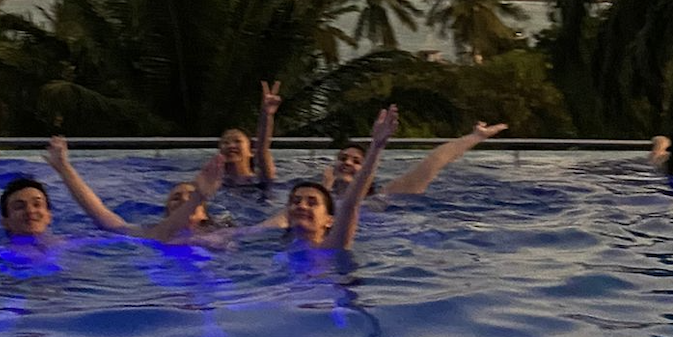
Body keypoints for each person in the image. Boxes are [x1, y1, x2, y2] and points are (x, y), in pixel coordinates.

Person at [43, 136, 225, 243]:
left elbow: (254, 231)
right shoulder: (147, 232)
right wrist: (64, 168)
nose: (184, 200)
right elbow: (100, 214)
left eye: (191, 196)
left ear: (205, 214)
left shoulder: (219, 236)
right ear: (166, 212)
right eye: (176, 197)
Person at [274, 105, 400, 250]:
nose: (302, 206)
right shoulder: (276, 249)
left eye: (312, 203)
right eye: (296, 201)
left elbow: (350, 205)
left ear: (329, 220)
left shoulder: (331, 247)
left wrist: (376, 146)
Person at [322, 121, 508, 199]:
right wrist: (324, 189)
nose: (347, 163)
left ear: (368, 173)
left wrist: (475, 136)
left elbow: (433, 163)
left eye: (356, 161)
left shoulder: (381, 198)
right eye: (343, 158)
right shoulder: (314, 200)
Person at [215, 81, 281, 187]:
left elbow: (262, 151)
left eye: (237, 141)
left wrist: (267, 114)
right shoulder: (214, 183)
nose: (231, 146)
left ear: (250, 151)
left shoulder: (259, 178)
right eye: (225, 143)